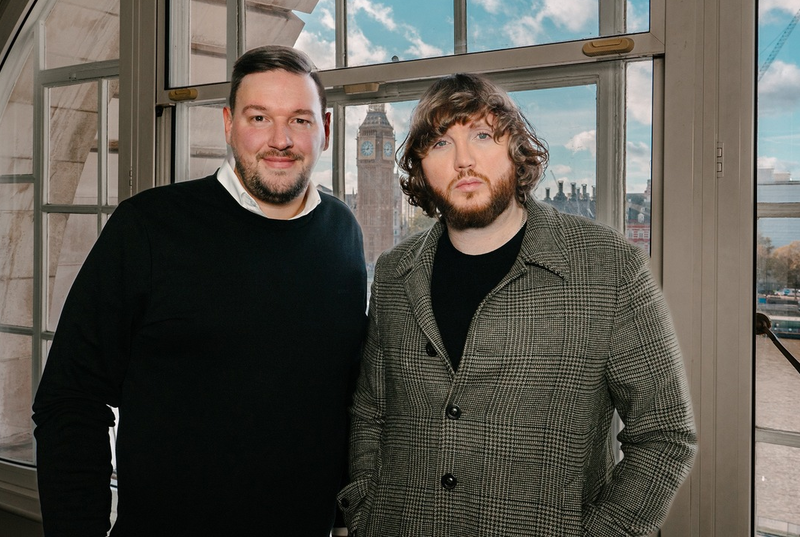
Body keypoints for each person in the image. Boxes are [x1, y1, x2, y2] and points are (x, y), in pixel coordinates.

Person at [338, 73, 697, 537]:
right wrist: (365, 508)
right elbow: (372, 411)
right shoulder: (393, 273)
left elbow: (665, 434)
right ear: (421, 166)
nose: (464, 160)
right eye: (441, 144)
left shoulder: (608, 267)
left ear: (517, 150)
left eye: (483, 136)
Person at [32, 45, 368, 536]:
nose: (280, 139)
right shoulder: (148, 227)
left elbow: (340, 395)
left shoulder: (343, 230)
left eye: (299, 120)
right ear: (229, 124)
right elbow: (70, 399)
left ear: (326, 130)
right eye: (259, 117)